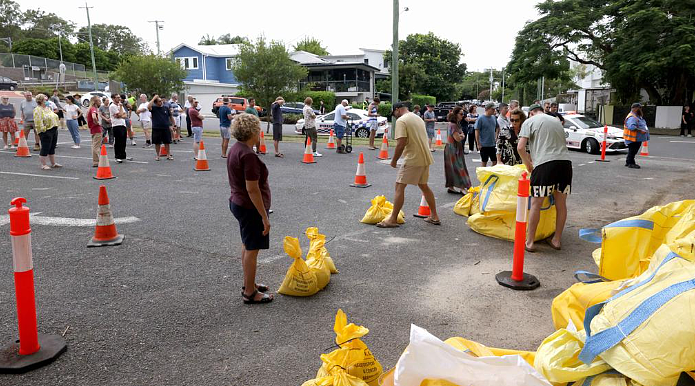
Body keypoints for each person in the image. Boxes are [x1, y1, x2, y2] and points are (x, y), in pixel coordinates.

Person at [227, 113, 273, 304]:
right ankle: (250, 293)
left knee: (247, 245)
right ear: (253, 132)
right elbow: (252, 189)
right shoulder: (248, 156)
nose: (260, 133)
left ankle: (249, 284)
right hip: (249, 207)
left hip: (238, 203)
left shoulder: (235, 149)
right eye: (258, 129)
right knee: (252, 249)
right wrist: (264, 216)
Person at [517, 104, 572, 252]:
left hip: (544, 164)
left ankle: (530, 242)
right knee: (561, 204)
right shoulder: (556, 121)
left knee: (536, 204)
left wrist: (527, 163)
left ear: (531, 113)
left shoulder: (529, 122)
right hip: (565, 164)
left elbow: (520, 147)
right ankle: (557, 240)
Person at [377, 103, 439, 228]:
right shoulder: (417, 118)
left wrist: (394, 160)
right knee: (424, 186)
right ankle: (434, 216)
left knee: (399, 186)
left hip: (413, 158)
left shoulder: (402, 120)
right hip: (425, 157)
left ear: (397, 110)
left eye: (394, 114)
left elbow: (401, 143)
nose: (394, 117)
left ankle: (393, 219)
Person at [444, 106, 472, 195]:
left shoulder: (455, 124)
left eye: (463, 114)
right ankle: (462, 187)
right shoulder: (454, 125)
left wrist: (461, 135)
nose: (462, 116)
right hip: (453, 148)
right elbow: (458, 138)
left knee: (451, 168)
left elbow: (459, 136)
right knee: (459, 167)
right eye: (461, 114)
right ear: (456, 114)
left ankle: (451, 187)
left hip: (452, 148)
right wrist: (462, 136)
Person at [33, 94, 62, 170]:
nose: (47, 101)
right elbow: (38, 121)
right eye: (45, 100)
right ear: (41, 100)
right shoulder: (37, 110)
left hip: (53, 129)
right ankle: (43, 164)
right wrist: (43, 130)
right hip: (46, 131)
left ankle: (53, 163)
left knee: (52, 147)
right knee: (45, 147)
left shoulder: (48, 108)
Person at [148, 94, 174, 161]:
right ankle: (157, 155)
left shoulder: (166, 108)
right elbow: (148, 106)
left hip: (165, 128)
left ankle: (168, 154)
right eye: (159, 101)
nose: (161, 102)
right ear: (156, 103)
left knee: (167, 142)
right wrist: (154, 98)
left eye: (161, 101)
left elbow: (171, 117)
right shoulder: (153, 108)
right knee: (157, 143)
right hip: (156, 128)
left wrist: (173, 125)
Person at [623, 102, 649, 169]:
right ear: (635, 108)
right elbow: (631, 127)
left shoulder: (636, 116)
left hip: (635, 138)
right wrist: (640, 130)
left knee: (632, 151)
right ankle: (631, 163)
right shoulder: (632, 117)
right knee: (633, 151)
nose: (641, 109)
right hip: (633, 138)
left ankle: (628, 162)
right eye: (639, 108)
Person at [474, 102, 500, 167]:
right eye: (492, 109)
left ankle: (490, 173)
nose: (494, 111)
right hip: (484, 144)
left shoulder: (494, 117)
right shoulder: (481, 118)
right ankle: (483, 175)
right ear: (487, 109)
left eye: (494, 109)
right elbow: (477, 130)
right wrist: (478, 143)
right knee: (484, 161)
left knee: (495, 161)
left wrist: (496, 136)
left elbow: (497, 127)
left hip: (492, 144)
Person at [109, 93, 131, 163]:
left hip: (123, 124)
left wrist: (121, 114)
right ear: (113, 98)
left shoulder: (119, 105)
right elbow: (119, 115)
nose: (119, 99)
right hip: (116, 125)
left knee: (123, 141)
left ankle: (123, 155)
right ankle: (117, 156)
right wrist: (121, 108)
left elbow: (125, 115)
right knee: (118, 141)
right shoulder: (112, 106)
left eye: (119, 97)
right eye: (117, 97)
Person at [87, 96, 103, 167]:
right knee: (97, 146)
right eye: (99, 101)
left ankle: (95, 161)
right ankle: (100, 160)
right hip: (96, 129)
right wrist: (97, 123)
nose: (100, 102)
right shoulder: (94, 109)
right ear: (95, 102)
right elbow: (94, 116)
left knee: (94, 146)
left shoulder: (90, 109)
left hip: (93, 129)